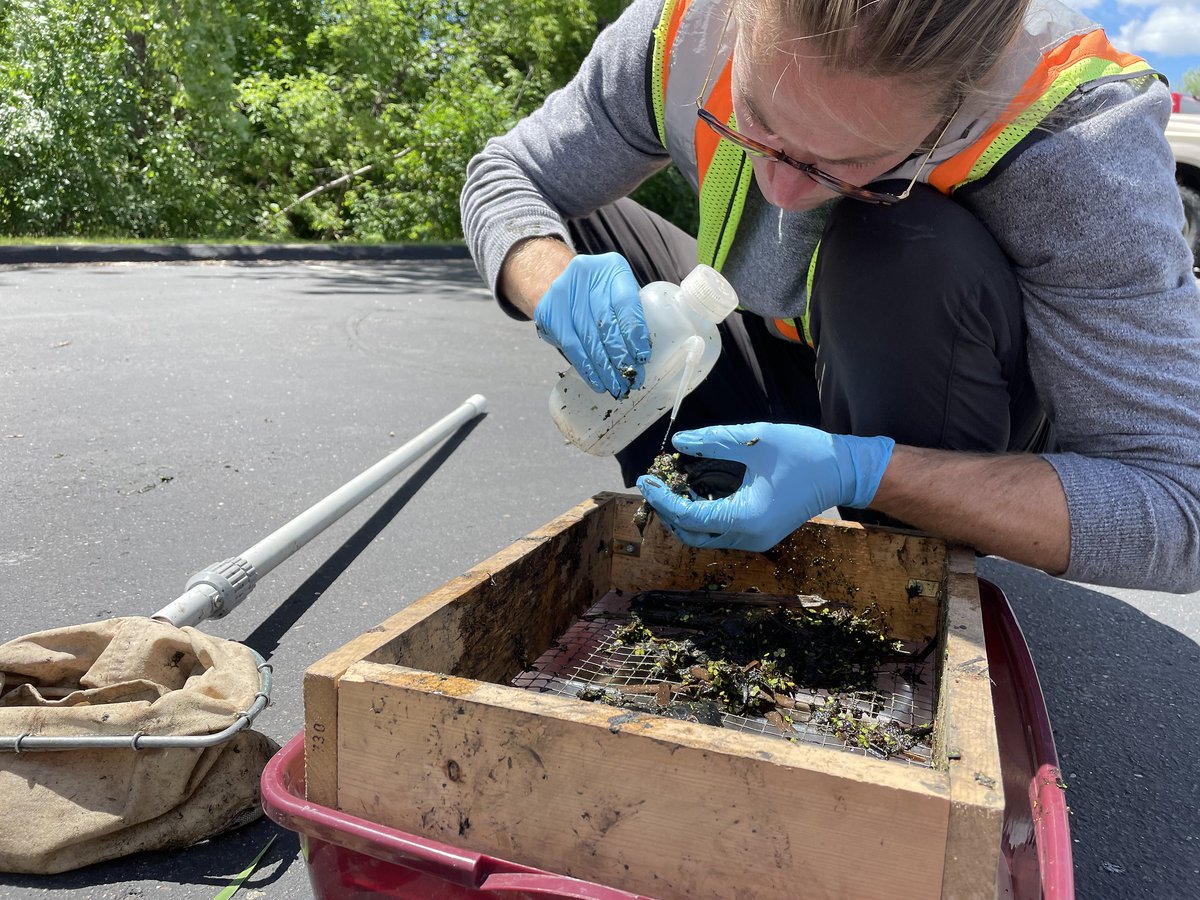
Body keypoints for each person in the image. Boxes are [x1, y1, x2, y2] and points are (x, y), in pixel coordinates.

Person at [460, 0, 1200, 592]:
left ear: (961, 100)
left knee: (902, 244)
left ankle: (902, 566)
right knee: (574, 228)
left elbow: (1177, 509)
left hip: (929, 398)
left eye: (849, 162)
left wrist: (863, 469)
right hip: (774, 338)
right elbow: (508, 174)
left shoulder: (1078, 147)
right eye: (756, 120)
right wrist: (548, 274)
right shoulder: (682, 30)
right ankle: (701, 512)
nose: (781, 193)